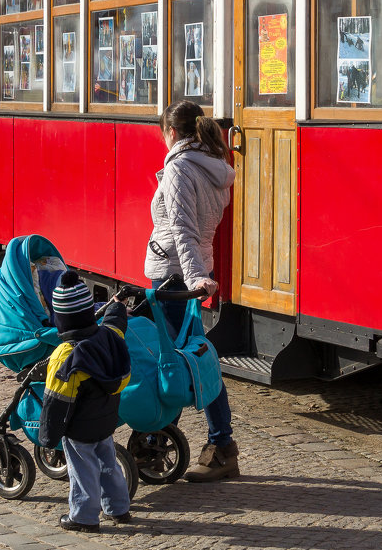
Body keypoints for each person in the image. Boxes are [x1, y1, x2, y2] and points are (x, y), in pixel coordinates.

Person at [144, 100, 238, 481]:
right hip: (190, 269)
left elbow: (182, 229)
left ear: (171, 132)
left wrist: (193, 279)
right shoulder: (212, 166)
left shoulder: (181, 168)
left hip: (174, 275)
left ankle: (161, 446)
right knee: (196, 356)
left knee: (177, 360)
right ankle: (215, 443)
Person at [38, 273, 131, 533]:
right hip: (106, 420)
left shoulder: (66, 356)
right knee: (108, 464)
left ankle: (83, 517)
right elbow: (115, 322)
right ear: (90, 312)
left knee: (83, 471)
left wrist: (48, 436)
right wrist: (116, 305)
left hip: (79, 428)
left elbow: (56, 402)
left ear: (60, 320)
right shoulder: (110, 338)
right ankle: (118, 507)